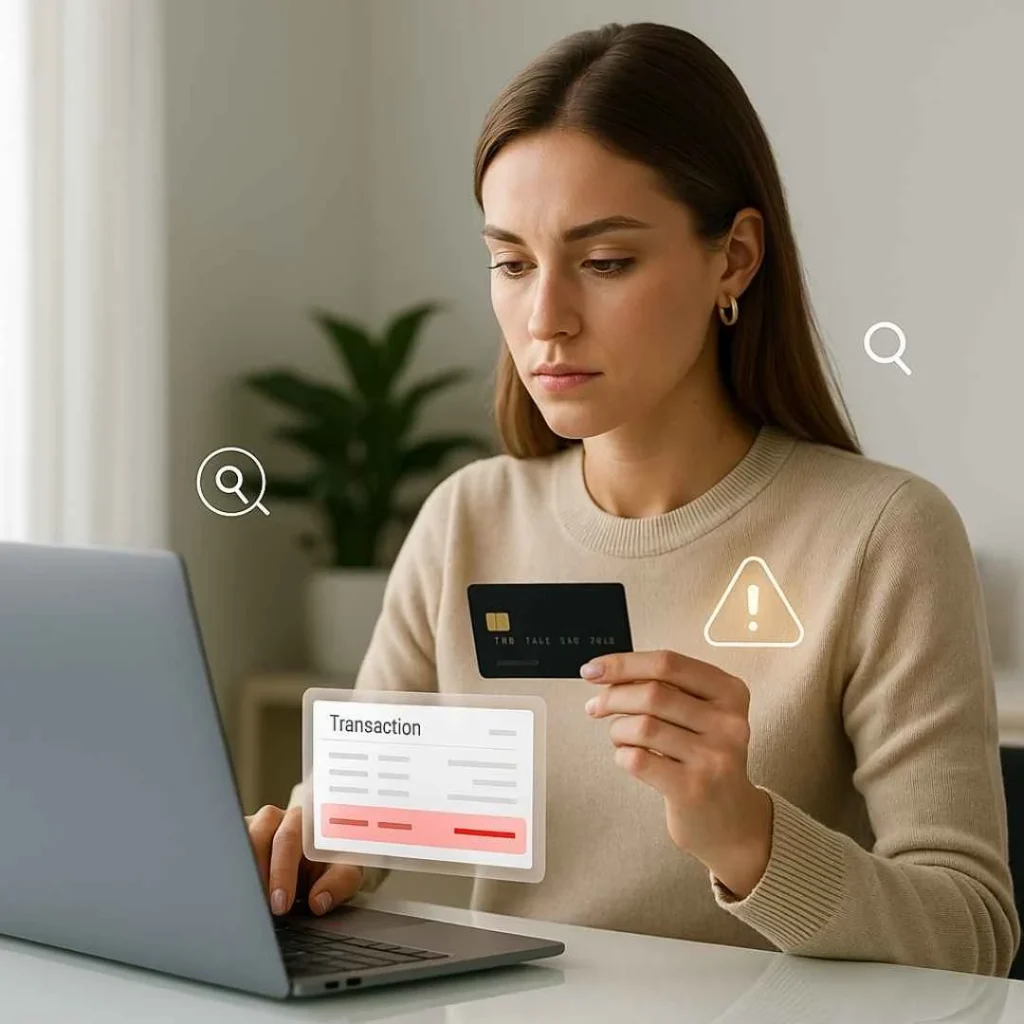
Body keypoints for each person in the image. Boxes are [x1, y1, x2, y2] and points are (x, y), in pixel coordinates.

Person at [245, 22, 1020, 976]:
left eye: (605, 262)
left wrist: (748, 836)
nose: (546, 319)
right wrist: (308, 856)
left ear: (734, 258)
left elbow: (973, 936)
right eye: (512, 263)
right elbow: (363, 826)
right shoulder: (466, 522)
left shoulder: (884, 536)